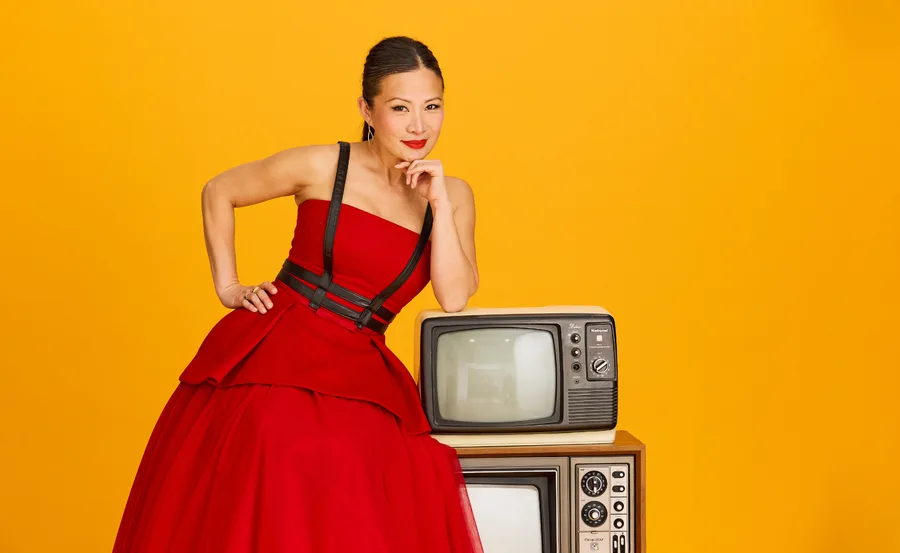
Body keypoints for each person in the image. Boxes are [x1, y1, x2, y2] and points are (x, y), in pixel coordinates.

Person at [112, 36, 484, 553]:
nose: (419, 126)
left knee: (386, 481)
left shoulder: (453, 194)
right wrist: (228, 286)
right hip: (278, 345)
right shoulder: (322, 165)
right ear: (367, 110)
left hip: (362, 364)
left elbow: (455, 296)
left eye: (432, 107)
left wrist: (439, 205)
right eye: (400, 108)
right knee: (279, 459)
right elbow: (219, 191)